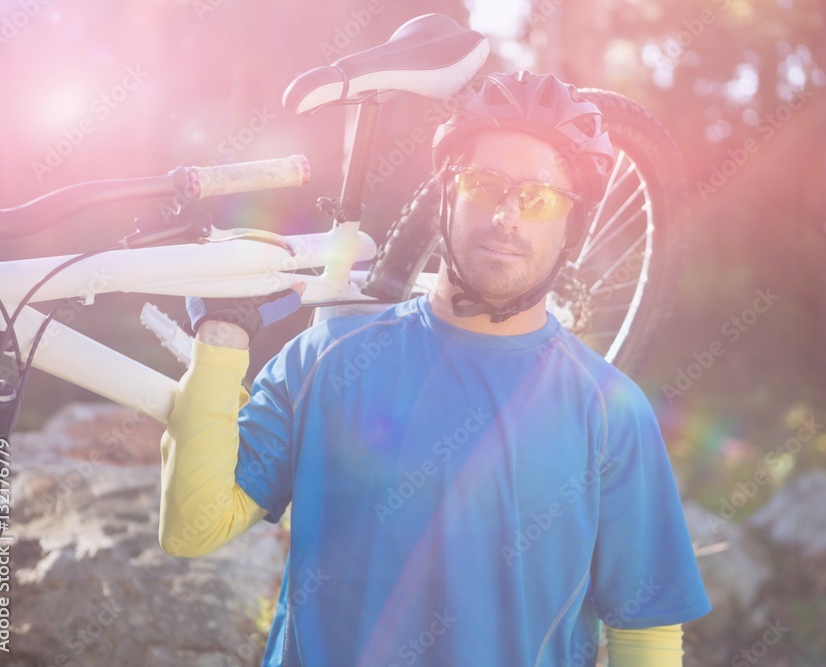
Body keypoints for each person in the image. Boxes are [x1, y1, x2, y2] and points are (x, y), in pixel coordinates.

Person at [159, 71, 711, 667]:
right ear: (445, 195)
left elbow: (646, 633)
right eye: (483, 184)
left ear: (572, 226)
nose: (507, 215)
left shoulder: (610, 409)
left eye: (540, 198)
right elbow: (193, 526)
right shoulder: (328, 359)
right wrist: (220, 339)